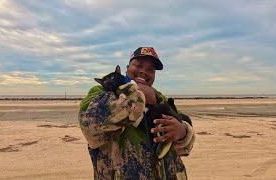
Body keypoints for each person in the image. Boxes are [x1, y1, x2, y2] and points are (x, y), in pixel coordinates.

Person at [78, 47, 195, 180]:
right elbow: (90, 126)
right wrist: (138, 94)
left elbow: (186, 148)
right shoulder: (101, 92)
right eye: (138, 65)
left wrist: (182, 132)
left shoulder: (160, 98)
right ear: (127, 68)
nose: (144, 71)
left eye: (150, 69)